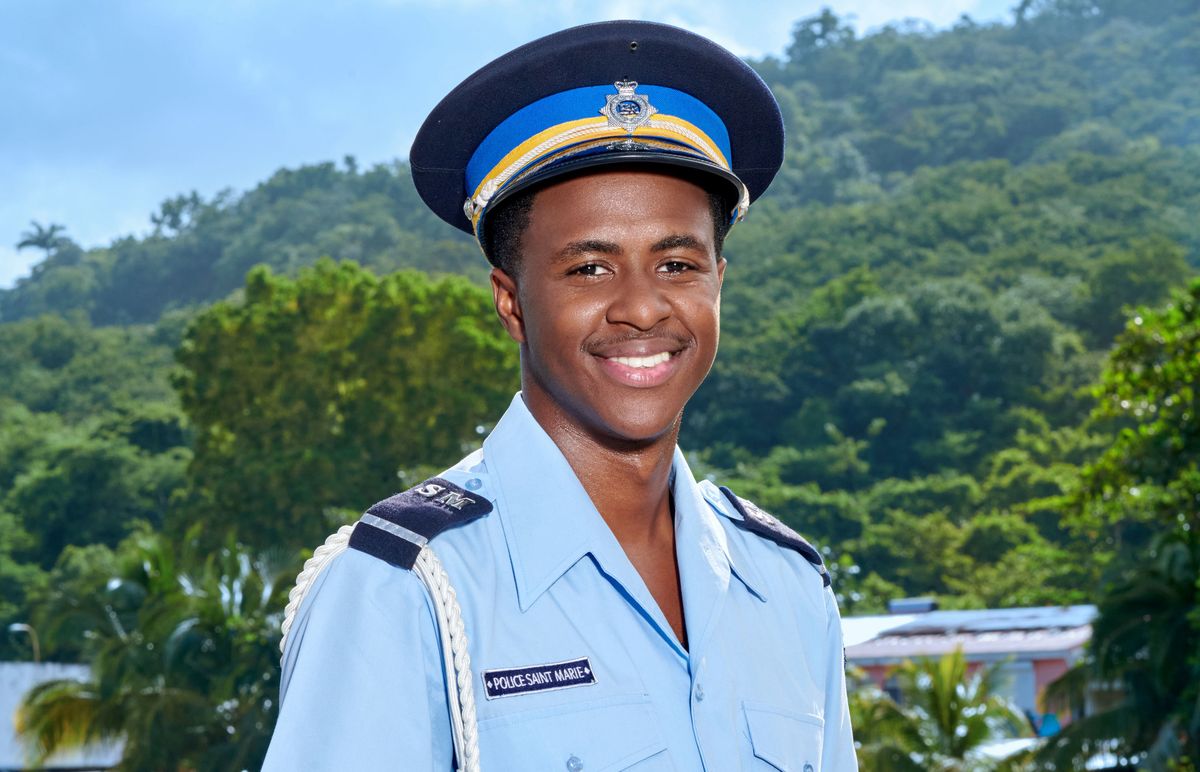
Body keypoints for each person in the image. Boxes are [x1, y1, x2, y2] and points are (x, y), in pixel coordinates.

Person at [264, 19, 857, 771]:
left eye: (677, 264)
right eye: (589, 270)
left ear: (719, 282)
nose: (643, 308)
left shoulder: (786, 585)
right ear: (511, 303)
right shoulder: (406, 590)